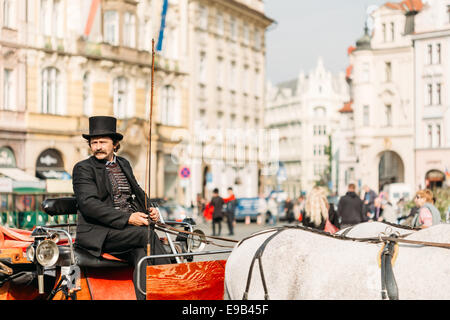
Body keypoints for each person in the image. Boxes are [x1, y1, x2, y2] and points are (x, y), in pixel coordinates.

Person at [72, 116, 171, 300]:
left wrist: (151, 208)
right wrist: (128, 218)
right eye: (94, 142)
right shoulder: (83, 168)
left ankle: (147, 297)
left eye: (103, 142)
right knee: (146, 234)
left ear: (115, 144)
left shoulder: (123, 163)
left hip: (126, 232)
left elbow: (137, 190)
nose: (98, 147)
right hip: (100, 233)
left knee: (142, 254)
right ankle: (174, 283)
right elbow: (89, 205)